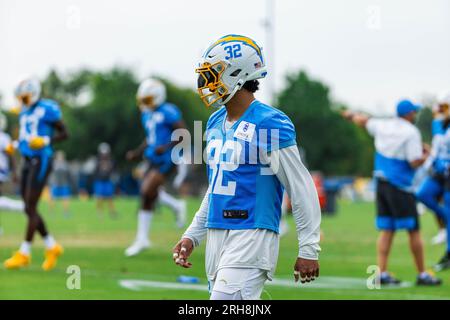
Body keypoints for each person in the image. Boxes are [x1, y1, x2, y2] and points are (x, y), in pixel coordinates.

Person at [172, 35, 322, 300]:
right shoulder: (216, 121)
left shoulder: (270, 122)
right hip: (218, 230)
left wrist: (308, 248)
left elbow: (301, 187)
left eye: (214, 74)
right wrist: (192, 235)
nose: (206, 82)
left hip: (252, 230)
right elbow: (216, 187)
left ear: (236, 74)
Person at [343, 100, 441, 286]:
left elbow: (363, 121)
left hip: (381, 183)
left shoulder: (383, 124)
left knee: (387, 230)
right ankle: (422, 274)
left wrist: (350, 115)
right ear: (409, 114)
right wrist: (429, 155)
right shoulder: (411, 132)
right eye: (414, 112)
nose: (416, 115)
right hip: (401, 186)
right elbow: (413, 162)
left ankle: (382, 273)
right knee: (414, 230)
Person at [4, 77, 68, 271]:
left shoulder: (47, 109)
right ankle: (52, 246)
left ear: (34, 93)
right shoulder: (25, 112)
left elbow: (65, 134)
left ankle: (24, 253)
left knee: (31, 206)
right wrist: (14, 146)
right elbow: (26, 137)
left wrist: (46, 141)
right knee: (28, 207)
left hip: (42, 160)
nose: (21, 101)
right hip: (27, 160)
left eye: (24, 97)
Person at [125, 78, 186, 257]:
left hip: (169, 158)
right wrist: (137, 152)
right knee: (147, 197)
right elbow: (150, 138)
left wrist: (166, 146)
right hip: (153, 158)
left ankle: (175, 207)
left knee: (146, 190)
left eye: (148, 99)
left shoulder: (168, 111)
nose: (145, 103)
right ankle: (143, 237)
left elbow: (183, 133)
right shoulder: (146, 114)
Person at [416, 95, 449, 245]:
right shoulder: (438, 123)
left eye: (444, 107)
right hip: (439, 170)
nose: (440, 111)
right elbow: (438, 148)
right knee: (424, 194)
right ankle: (445, 225)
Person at [93, 143, 117, 218]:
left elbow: (113, 170)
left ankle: (112, 212)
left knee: (110, 197)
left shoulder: (111, 161)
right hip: (100, 181)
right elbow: (95, 171)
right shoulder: (97, 161)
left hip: (108, 181)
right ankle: (99, 212)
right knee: (99, 197)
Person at [49, 150, 72, 217]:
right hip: (55, 184)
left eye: (61, 156)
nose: (60, 158)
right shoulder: (54, 164)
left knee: (66, 198)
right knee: (52, 198)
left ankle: (66, 212)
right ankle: (51, 212)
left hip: (64, 184)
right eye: (59, 156)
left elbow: (68, 174)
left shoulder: (65, 165)